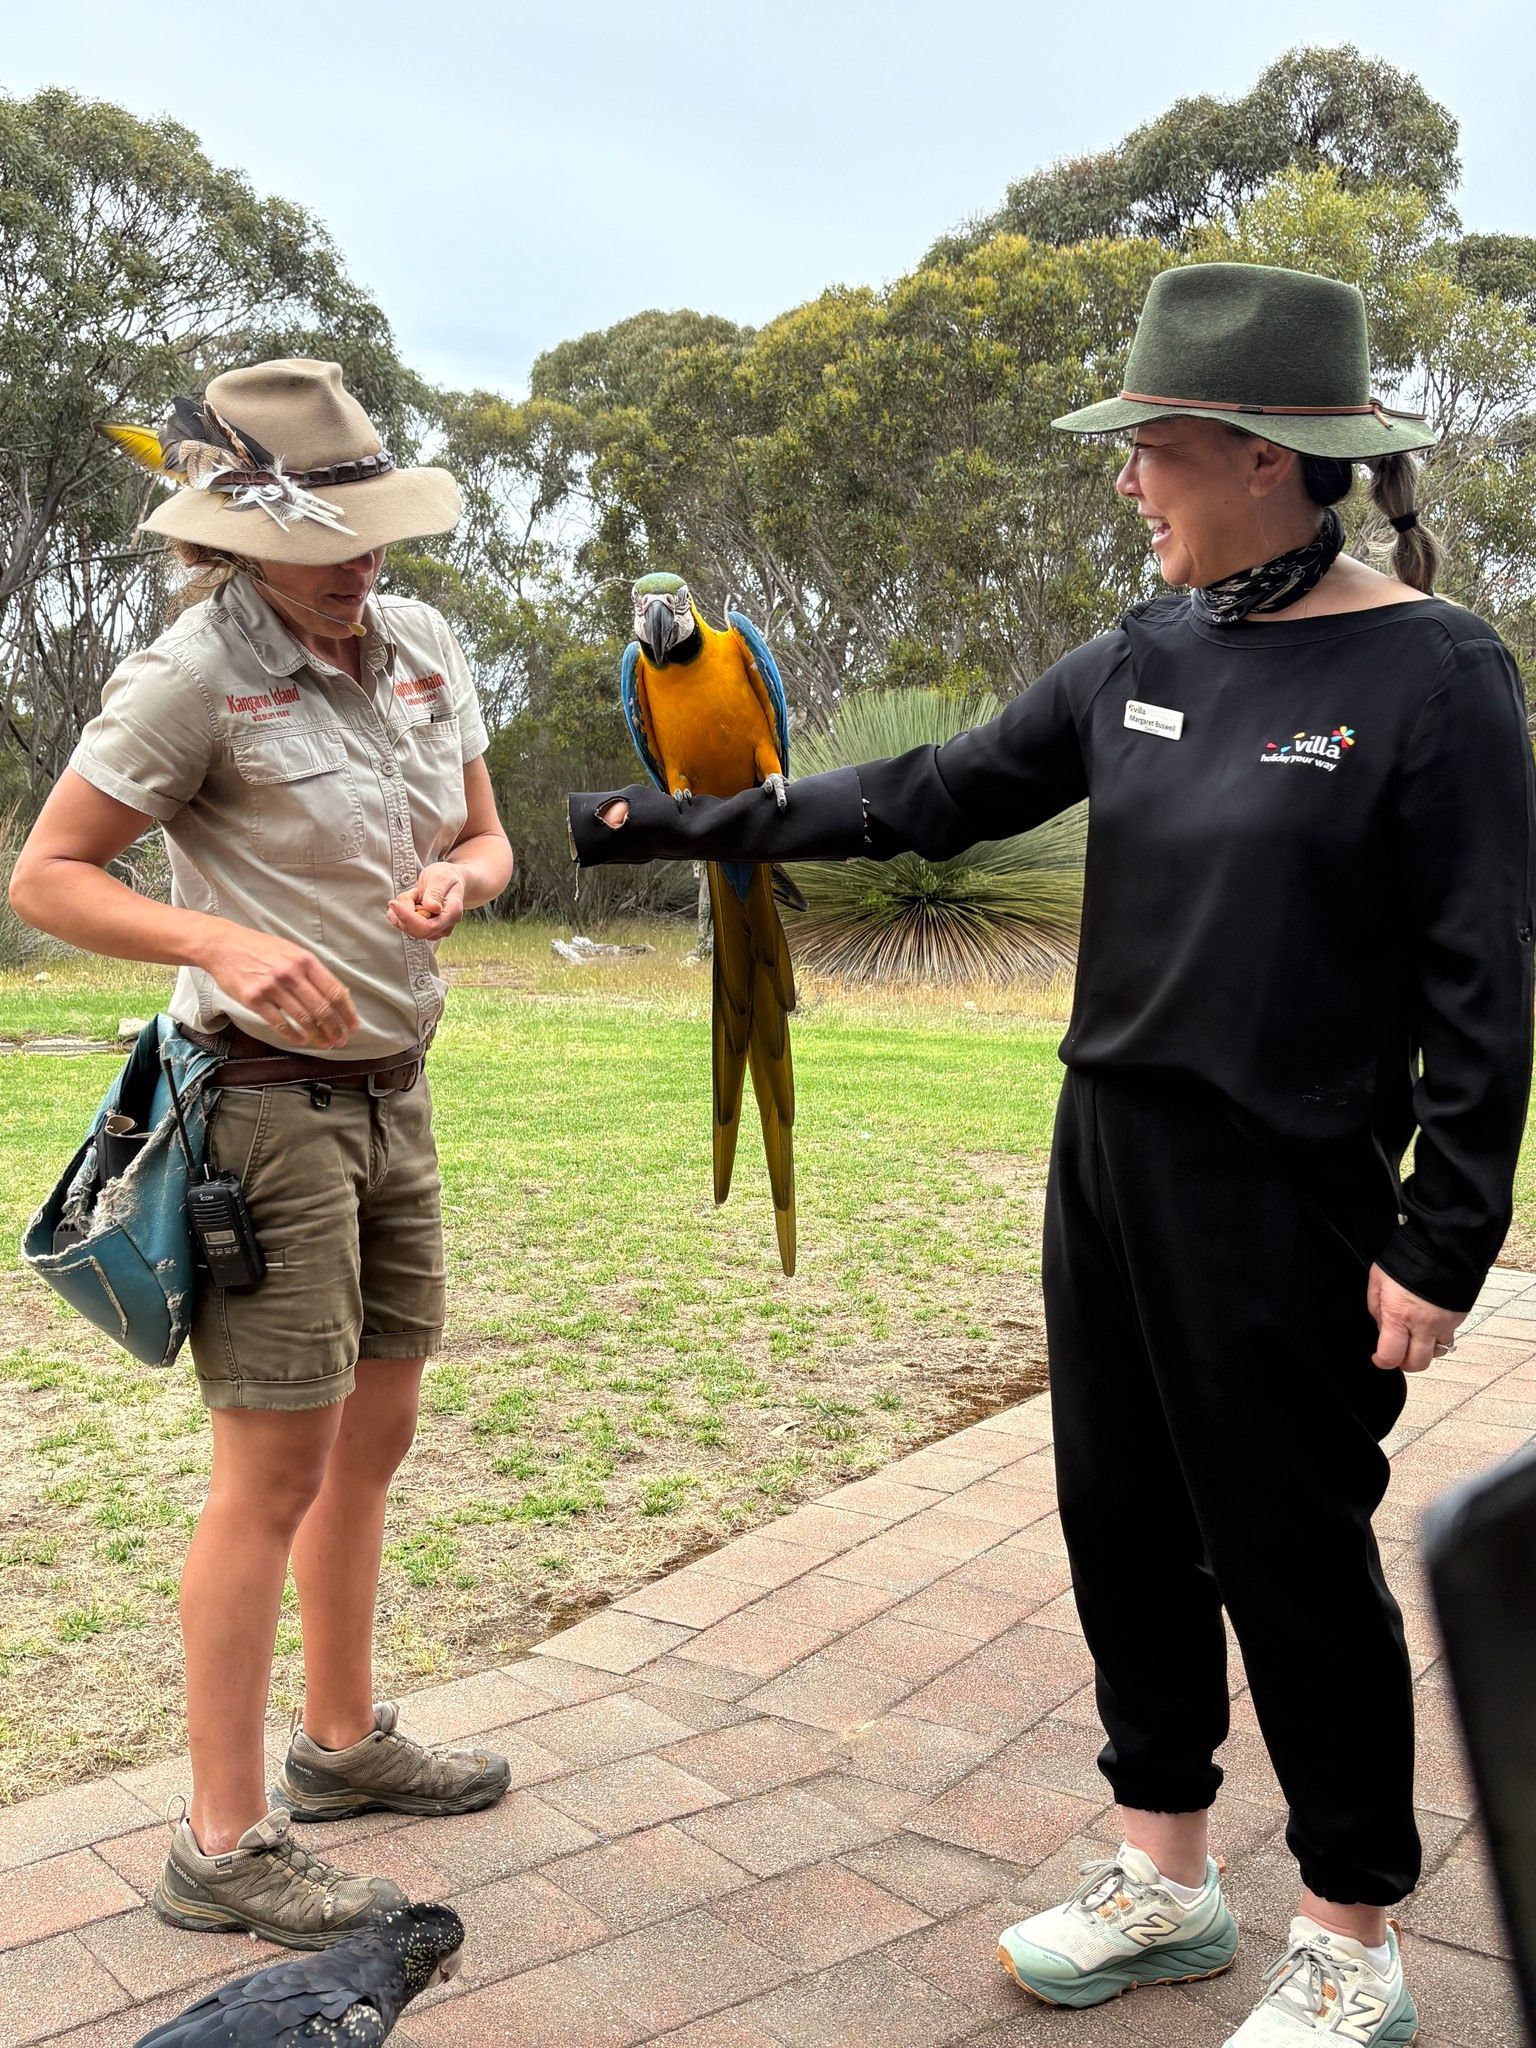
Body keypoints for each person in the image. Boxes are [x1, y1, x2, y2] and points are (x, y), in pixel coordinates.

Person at [567, 263, 1535, 2046]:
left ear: (1259, 455)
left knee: (1289, 1550)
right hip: (1107, 1159)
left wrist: (1443, 1237)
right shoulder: (1143, 653)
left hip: (1291, 1191)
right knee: (1123, 1526)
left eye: (1148, 448)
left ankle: (1352, 1938)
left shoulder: (1433, 672)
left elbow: (1487, 979)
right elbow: (919, 793)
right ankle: (1164, 1877)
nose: (1125, 481)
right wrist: (648, 826)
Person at [10, 360, 516, 1949]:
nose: (362, 566)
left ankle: (346, 1746)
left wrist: (469, 884)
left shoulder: (422, 644)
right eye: (327, 544)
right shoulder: (186, 678)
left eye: (375, 531)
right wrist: (214, 937)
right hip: (261, 1108)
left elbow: (485, 831)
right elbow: (53, 875)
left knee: (379, 1431)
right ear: (231, 539)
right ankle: (223, 1843)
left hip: (394, 1091)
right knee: (271, 1471)